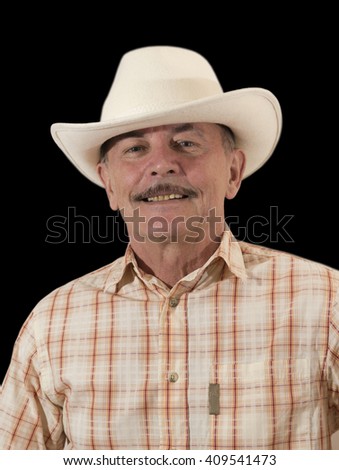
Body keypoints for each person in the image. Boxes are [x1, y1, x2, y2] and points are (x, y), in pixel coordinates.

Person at [0, 45, 338, 451]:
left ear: (233, 172)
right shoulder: (51, 325)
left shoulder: (327, 302)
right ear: (109, 184)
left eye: (186, 143)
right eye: (135, 149)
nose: (161, 165)